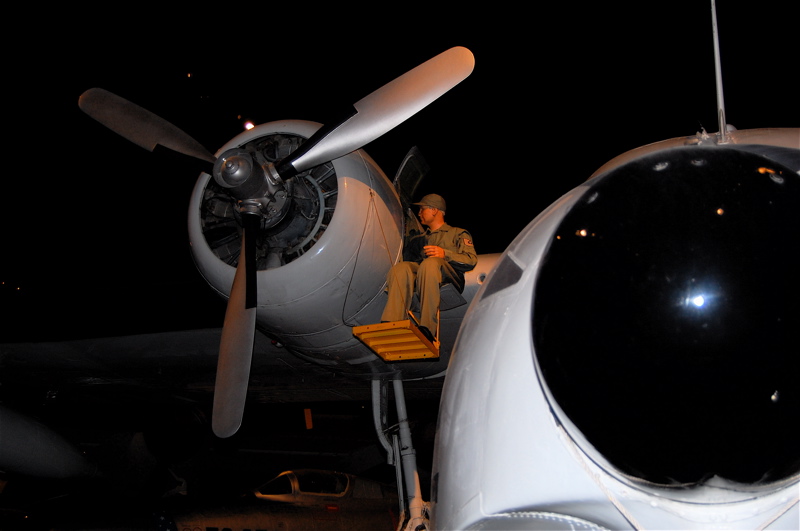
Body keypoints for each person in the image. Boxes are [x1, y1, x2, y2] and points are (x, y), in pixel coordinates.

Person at [381, 193, 477, 342]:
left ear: (434, 210)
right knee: (401, 268)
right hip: (425, 274)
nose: (419, 213)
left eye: (422, 209)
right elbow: (408, 263)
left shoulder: (457, 233)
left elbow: (470, 260)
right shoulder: (418, 240)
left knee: (430, 263)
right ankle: (392, 323)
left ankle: (427, 327)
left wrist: (445, 254)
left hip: (451, 277)